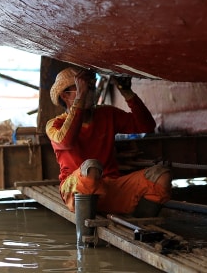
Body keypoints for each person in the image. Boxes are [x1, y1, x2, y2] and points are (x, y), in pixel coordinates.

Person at [46, 67, 171, 216]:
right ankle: (85, 233)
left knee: (161, 176)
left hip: (110, 188)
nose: (90, 90)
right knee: (91, 168)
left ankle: (140, 226)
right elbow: (67, 141)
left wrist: (126, 91)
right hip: (76, 191)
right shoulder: (54, 124)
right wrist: (80, 97)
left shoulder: (106, 114)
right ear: (65, 96)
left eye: (90, 86)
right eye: (82, 87)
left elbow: (146, 125)